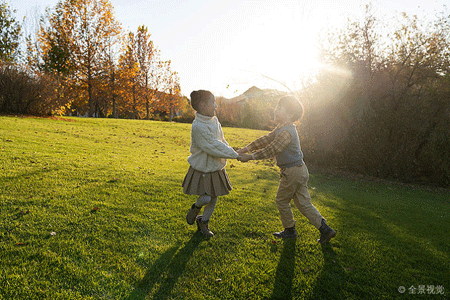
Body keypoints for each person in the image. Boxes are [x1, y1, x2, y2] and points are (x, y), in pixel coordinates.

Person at [237, 95, 336, 243]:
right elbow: (266, 139)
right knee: (304, 203)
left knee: (281, 200)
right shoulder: (282, 128)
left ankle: (290, 230)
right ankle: (325, 229)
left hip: (292, 172)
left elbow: (273, 149)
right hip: (300, 170)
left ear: (289, 114)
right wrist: (245, 148)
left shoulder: (286, 132)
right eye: (276, 107)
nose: (275, 110)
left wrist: (250, 157)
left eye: (279, 108)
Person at [182, 90, 240, 237]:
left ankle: (204, 222)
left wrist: (233, 151)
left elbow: (221, 141)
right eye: (212, 103)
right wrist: (235, 155)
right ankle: (196, 207)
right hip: (203, 167)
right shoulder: (198, 127)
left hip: (215, 166)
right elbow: (212, 146)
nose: (216, 106)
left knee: (214, 196)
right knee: (206, 197)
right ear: (202, 105)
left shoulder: (214, 120)